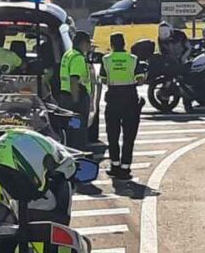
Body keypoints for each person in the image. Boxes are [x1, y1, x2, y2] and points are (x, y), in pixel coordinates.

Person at [99, 33, 146, 180]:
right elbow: (140, 81)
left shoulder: (106, 60)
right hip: (130, 100)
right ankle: (126, 168)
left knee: (113, 135)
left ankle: (115, 166)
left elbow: (104, 80)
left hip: (113, 100)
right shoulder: (133, 59)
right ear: (124, 43)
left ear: (111, 44)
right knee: (129, 136)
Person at [59, 30, 92, 149]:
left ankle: (71, 149)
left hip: (65, 96)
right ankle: (77, 153)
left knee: (70, 128)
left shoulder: (68, 55)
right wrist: (76, 101)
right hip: (75, 98)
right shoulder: (78, 58)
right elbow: (74, 80)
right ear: (83, 43)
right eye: (88, 44)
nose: (89, 47)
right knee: (78, 130)